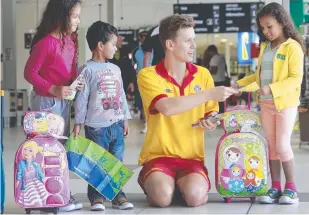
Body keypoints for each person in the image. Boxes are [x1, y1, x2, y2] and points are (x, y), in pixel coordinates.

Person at [137, 14, 238, 208]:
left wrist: (211, 120)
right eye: (187, 41)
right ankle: (163, 185)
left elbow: (212, 113)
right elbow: (166, 107)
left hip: (192, 158)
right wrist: (209, 94)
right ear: (170, 45)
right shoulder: (148, 75)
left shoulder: (203, 74)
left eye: (194, 39)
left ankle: (179, 186)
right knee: (162, 198)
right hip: (158, 157)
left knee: (195, 197)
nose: (193, 45)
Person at [237, 2, 305, 204]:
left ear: (282, 23)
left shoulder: (293, 47)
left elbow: (295, 78)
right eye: (262, 27)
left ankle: (291, 189)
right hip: (265, 104)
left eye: (269, 26)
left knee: (283, 144)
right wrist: (238, 86)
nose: (266, 31)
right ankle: (275, 187)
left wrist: (271, 89)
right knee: (272, 147)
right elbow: (258, 78)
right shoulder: (265, 47)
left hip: (284, 104)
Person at [23, 0, 84, 212]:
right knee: (47, 150)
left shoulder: (70, 40)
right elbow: (29, 73)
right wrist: (53, 89)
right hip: (45, 103)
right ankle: (50, 198)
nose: (78, 20)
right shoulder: (46, 43)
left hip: (62, 102)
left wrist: (77, 80)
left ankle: (58, 193)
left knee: (59, 149)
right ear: (61, 16)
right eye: (75, 16)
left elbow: (69, 70)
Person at [73, 21, 134, 211]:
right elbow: (81, 98)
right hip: (96, 126)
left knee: (116, 161)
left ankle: (117, 194)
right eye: (113, 44)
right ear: (100, 45)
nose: (116, 48)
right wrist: (78, 122)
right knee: (97, 161)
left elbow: (121, 94)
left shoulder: (116, 69)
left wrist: (125, 117)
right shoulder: (87, 70)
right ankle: (96, 197)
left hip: (116, 123)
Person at [132, 27, 153, 123]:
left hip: (153, 80)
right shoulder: (136, 51)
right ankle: (144, 115)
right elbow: (132, 66)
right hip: (140, 80)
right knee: (141, 99)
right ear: (139, 38)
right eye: (142, 36)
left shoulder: (155, 49)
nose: (144, 38)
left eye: (146, 35)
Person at [203, 45, 230, 113]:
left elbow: (213, 71)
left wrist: (205, 71)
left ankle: (218, 115)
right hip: (222, 81)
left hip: (217, 82)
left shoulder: (215, 58)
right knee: (221, 101)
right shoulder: (221, 57)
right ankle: (222, 115)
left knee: (216, 101)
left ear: (210, 51)